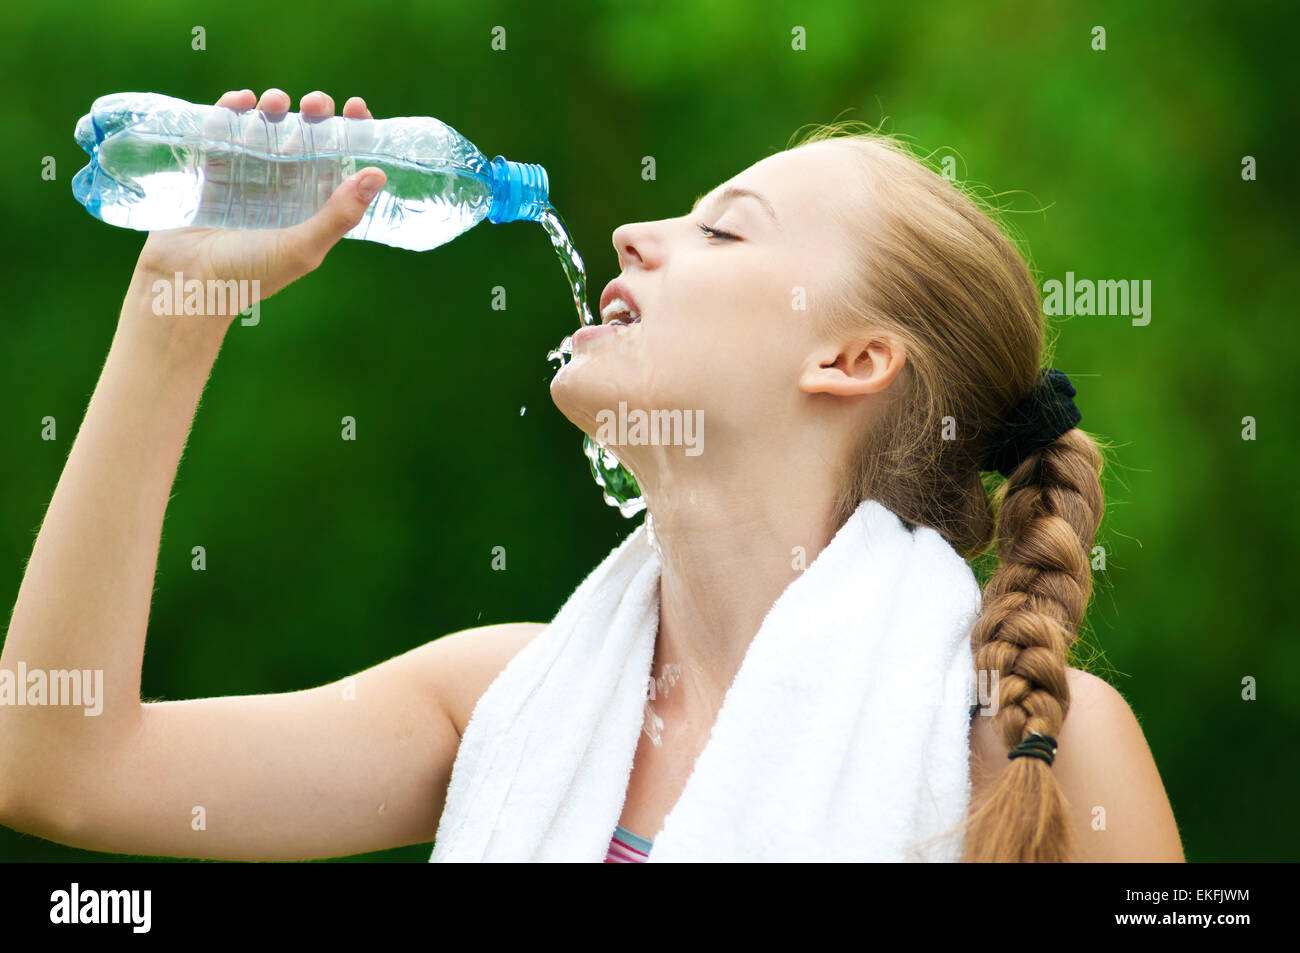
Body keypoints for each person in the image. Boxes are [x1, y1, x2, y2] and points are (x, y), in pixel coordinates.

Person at [0, 87, 1184, 863]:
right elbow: (55, 759)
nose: (633, 234)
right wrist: (172, 311)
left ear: (852, 358)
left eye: (726, 230)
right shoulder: (496, 699)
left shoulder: (1038, 754)